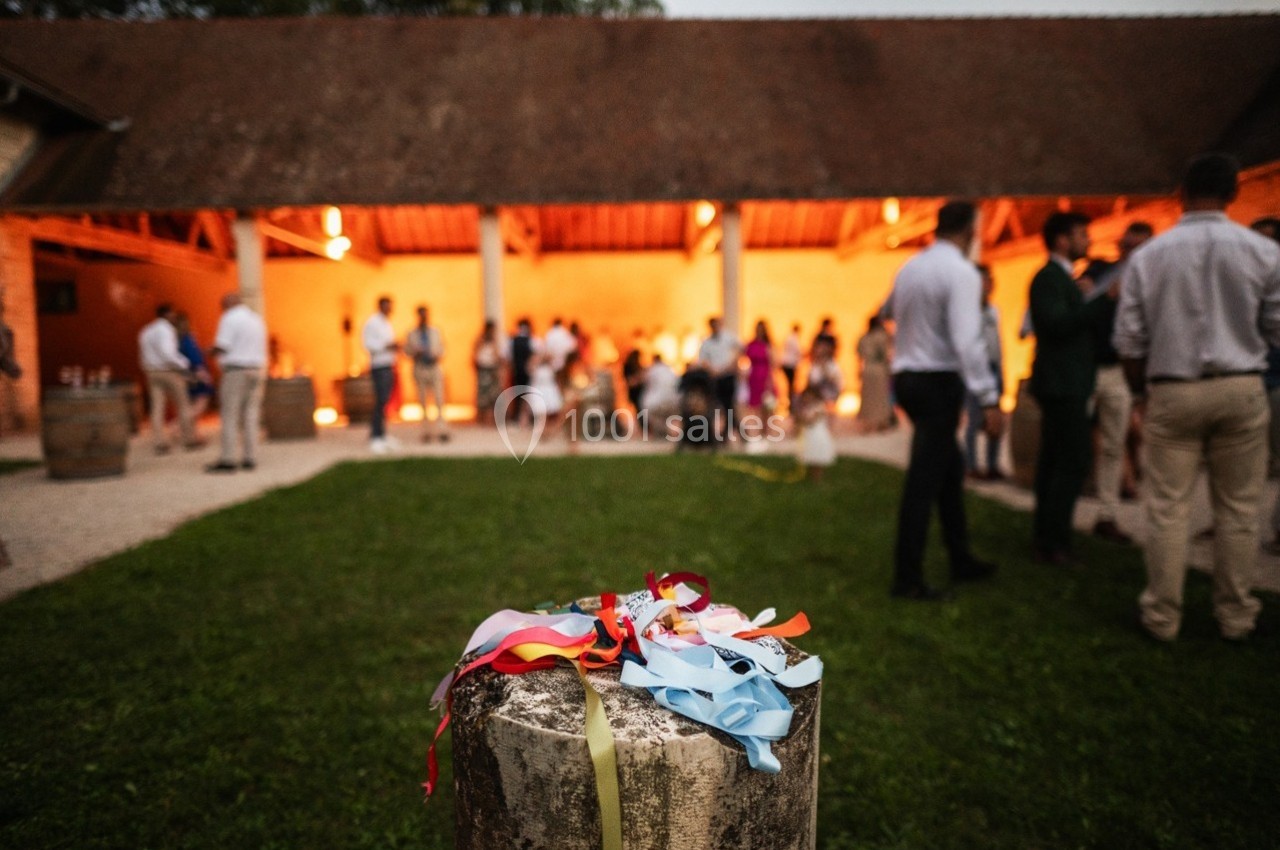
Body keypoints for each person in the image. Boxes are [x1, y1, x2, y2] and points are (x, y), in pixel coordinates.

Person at [1114, 153, 1280, 642]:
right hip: (1240, 385)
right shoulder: (1263, 251)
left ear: (1181, 194)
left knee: (1167, 509)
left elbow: (1129, 340)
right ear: (1232, 193)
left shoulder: (1150, 256)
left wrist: (1140, 392)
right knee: (1239, 510)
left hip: (1173, 387)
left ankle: (1162, 618)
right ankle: (1237, 617)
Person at [881, 200, 1002, 600]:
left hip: (907, 376)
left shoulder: (911, 267)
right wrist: (988, 397)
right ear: (970, 231)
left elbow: (887, 311)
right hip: (937, 380)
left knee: (949, 470)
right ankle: (907, 578)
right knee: (924, 480)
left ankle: (960, 557)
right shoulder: (961, 272)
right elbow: (967, 340)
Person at [1028, 210, 1107, 566]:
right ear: (1062, 240)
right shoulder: (1047, 277)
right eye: (1082, 235)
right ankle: (1054, 540)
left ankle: (1047, 537)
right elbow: (1058, 324)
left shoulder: (1063, 279)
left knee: (1055, 460)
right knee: (1073, 460)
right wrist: (1103, 301)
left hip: (1066, 382)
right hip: (1062, 384)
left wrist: (1083, 296)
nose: (1088, 241)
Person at [1084, 222, 1154, 544]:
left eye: (1138, 248)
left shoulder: (1154, 281)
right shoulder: (1100, 272)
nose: (1131, 254)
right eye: (1127, 247)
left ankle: (1107, 514)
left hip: (1120, 371)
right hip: (1089, 368)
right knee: (1077, 441)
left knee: (1116, 443)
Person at [205, 293, 267, 473]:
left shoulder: (229, 318)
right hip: (256, 370)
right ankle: (250, 457)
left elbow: (222, 345)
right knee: (251, 414)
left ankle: (228, 459)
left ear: (226, 305)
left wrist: (208, 351)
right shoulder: (256, 319)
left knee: (230, 414)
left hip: (236, 371)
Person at [137, 302, 204, 454]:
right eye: (172, 314)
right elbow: (168, 354)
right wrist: (185, 365)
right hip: (168, 371)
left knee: (157, 407)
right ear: (167, 314)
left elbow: (143, 354)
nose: (174, 317)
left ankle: (159, 442)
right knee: (183, 404)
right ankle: (189, 439)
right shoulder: (166, 329)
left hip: (151, 371)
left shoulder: (146, 330)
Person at [963, 264, 1004, 478]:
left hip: (993, 367)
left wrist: (1002, 372)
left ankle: (992, 465)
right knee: (975, 419)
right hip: (974, 370)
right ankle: (971, 465)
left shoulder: (993, 310)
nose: (989, 284)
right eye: (984, 280)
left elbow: (998, 343)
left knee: (996, 419)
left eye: (990, 280)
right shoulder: (967, 313)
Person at [405, 304, 450, 443]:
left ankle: (442, 430)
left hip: (434, 367)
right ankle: (426, 431)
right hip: (420, 368)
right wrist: (415, 352)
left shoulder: (435, 331)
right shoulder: (412, 333)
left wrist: (437, 354)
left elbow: (443, 348)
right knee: (423, 401)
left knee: (439, 400)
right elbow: (406, 351)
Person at [362, 296, 399, 454]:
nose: (389, 309)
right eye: (386, 306)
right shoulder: (372, 322)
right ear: (380, 306)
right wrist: (386, 346)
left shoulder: (386, 323)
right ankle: (376, 436)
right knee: (380, 401)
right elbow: (368, 344)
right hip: (379, 366)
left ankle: (381, 433)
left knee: (385, 402)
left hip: (388, 365)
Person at [696, 317, 741, 441]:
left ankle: (729, 435)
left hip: (728, 376)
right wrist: (712, 370)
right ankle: (722, 435)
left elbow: (739, 349)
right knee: (718, 406)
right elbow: (703, 360)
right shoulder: (706, 342)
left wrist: (732, 365)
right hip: (715, 378)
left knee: (729, 406)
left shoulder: (728, 338)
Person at [855, 315, 894, 432]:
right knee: (880, 397)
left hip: (867, 369)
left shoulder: (864, 337)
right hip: (879, 369)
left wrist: (859, 370)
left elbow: (859, 356)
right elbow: (886, 355)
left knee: (869, 397)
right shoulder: (882, 336)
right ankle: (880, 422)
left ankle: (869, 423)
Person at [174, 312, 215, 420]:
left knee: (190, 403)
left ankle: (188, 428)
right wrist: (204, 375)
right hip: (196, 374)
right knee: (201, 403)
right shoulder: (188, 340)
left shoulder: (177, 341)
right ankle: (178, 424)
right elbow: (195, 359)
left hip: (186, 375)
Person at [795, 385, 835, 481]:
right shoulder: (806, 408)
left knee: (817, 456)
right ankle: (810, 475)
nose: (807, 399)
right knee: (810, 455)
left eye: (809, 396)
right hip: (809, 435)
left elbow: (811, 421)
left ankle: (817, 477)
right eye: (805, 397)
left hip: (818, 436)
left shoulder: (819, 407)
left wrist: (801, 419)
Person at [473, 319, 503, 426]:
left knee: (492, 395)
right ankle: (482, 419)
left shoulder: (494, 342)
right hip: (484, 370)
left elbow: (496, 356)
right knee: (483, 395)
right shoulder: (480, 341)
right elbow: (475, 355)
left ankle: (491, 419)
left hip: (491, 370)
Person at [779, 323, 802, 413]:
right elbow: (798, 351)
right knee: (791, 385)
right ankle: (791, 403)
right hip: (791, 364)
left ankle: (790, 401)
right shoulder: (794, 339)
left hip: (786, 363)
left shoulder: (788, 338)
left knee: (789, 385)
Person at [622, 348, 646, 418]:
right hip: (636, 391)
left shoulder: (636, 365)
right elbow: (629, 380)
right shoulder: (630, 366)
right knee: (640, 409)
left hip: (637, 390)